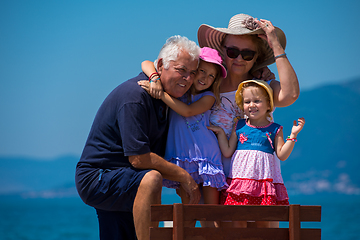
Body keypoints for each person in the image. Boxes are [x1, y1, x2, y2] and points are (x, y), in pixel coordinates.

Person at [75, 35, 202, 240]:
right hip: (100, 176)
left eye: (192, 73)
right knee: (153, 178)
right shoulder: (135, 96)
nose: (188, 78)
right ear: (161, 66)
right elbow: (139, 159)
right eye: (181, 70)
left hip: (128, 176)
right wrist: (183, 176)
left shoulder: (167, 98)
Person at [197, 13, 300, 178]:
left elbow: (291, 95)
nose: (239, 58)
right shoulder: (207, 84)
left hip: (256, 183)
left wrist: (276, 46)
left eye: (247, 54)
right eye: (232, 51)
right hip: (211, 180)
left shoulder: (262, 86)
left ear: (256, 58)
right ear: (222, 51)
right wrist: (154, 78)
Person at [138, 47, 228, 210]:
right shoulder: (178, 91)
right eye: (202, 71)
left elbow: (188, 111)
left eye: (211, 76)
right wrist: (154, 79)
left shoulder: (208, 97)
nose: (205, 78)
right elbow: (146, 63)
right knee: (189, 211)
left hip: (207, 156)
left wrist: (160, 94)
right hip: (182, 157)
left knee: (211, 212)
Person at [208, 79, 305, 228]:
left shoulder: (275, 129)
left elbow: (282, 155)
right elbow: (227, 151)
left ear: (268, 105)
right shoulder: (239, 125)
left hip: (263, 186)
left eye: (257, 101)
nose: (251, 105)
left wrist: (292, 136)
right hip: (240, 184)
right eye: (247, 102)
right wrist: (221, 133)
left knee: (263, 223)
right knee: (237, 222)